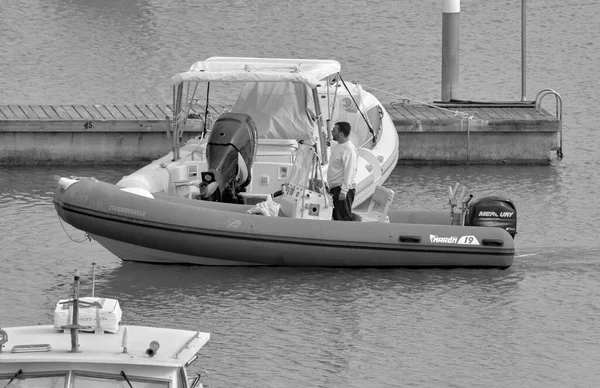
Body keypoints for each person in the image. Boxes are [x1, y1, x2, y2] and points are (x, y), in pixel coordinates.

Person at [327, 121, 358, 221]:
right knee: (337, 216)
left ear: (340, 134)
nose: (332, 132)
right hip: (335, 187)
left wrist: (344, 191)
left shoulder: (349, 150)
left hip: (342, 189)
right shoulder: (338, 145)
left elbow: (350, 171)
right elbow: (329, 142)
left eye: (334, 130)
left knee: (343, 218)